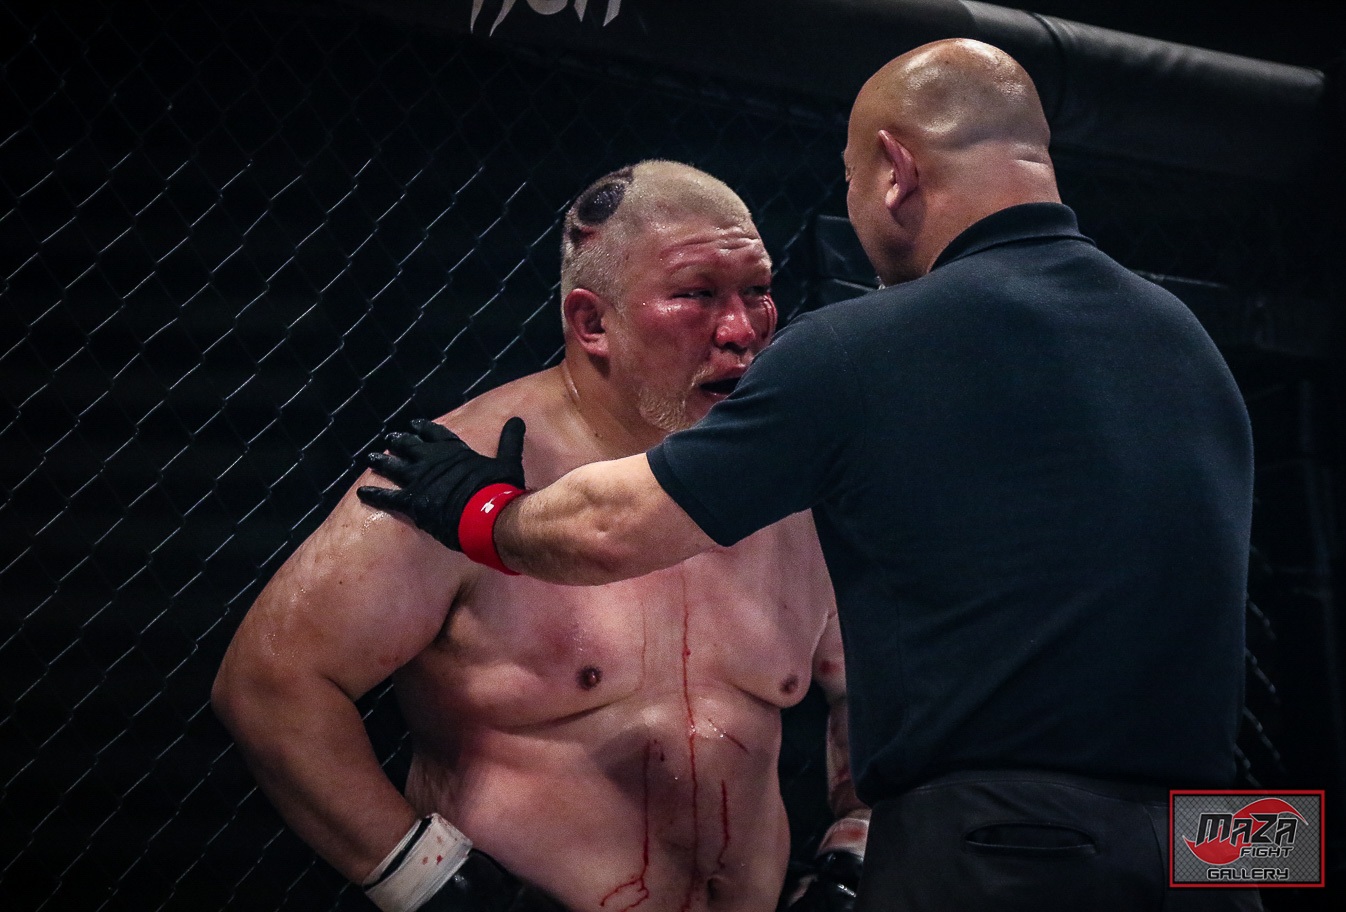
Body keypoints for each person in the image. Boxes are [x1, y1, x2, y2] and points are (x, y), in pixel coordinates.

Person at [357, 40, 1262, 912]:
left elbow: (609, 528)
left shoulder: (865, 346)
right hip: (1229, 839)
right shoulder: (1187, 344)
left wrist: (475, 508)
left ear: (895, 170)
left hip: (1012, 842)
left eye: (850, 181)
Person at [213, 160, 869, 912]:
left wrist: (854, 853)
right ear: (593, 323)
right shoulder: (454, 482)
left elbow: (877, 679)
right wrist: (435, 883)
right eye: (696, 295)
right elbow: (270, 684)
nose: (743, 331)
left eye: (756, 290)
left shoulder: (788, 479)